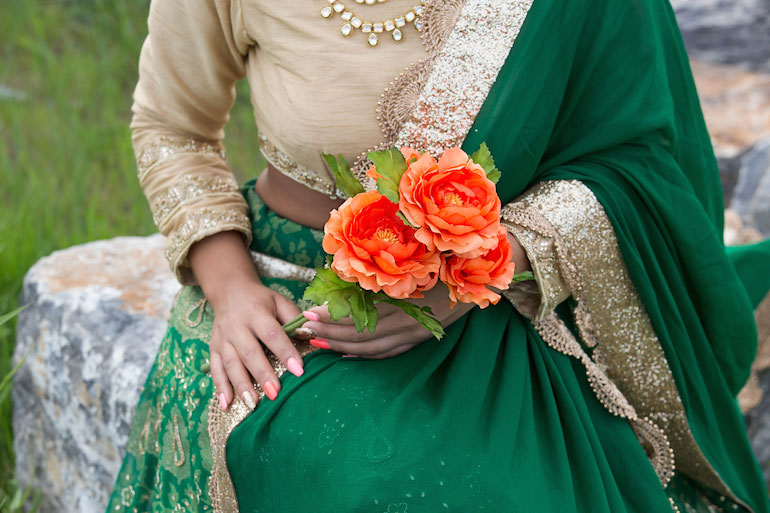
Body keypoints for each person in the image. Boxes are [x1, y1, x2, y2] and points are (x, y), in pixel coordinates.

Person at [106, 0, 770, 511]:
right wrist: (231, 289)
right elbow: (173, 125)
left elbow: (640, 160)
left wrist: (475, 272)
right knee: (351, 476)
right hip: (295, 293)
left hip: (503, 287)